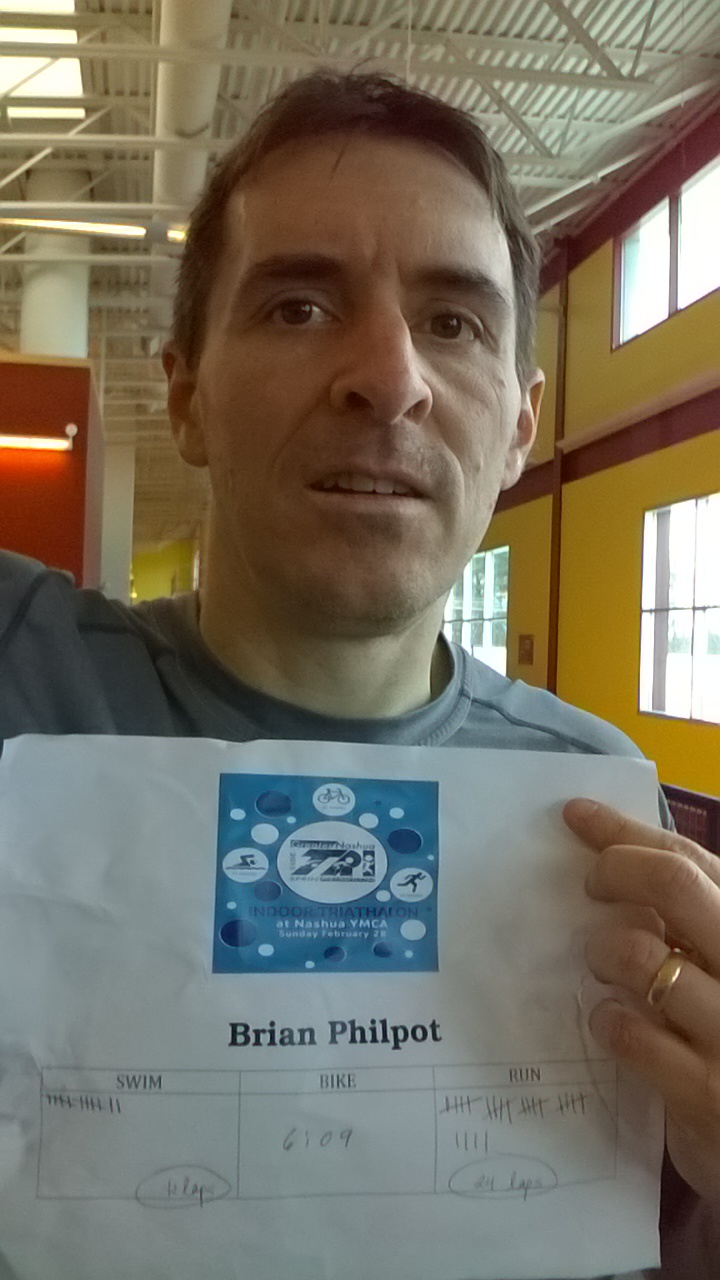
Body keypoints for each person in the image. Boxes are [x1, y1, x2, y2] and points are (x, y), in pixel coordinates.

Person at [0, 71, 718, 1277]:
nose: (389, 377)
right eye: (297, 306)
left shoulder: (599, 806)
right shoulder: (24, 680)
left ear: (521, 424)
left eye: (455, 322)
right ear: (185, 396)